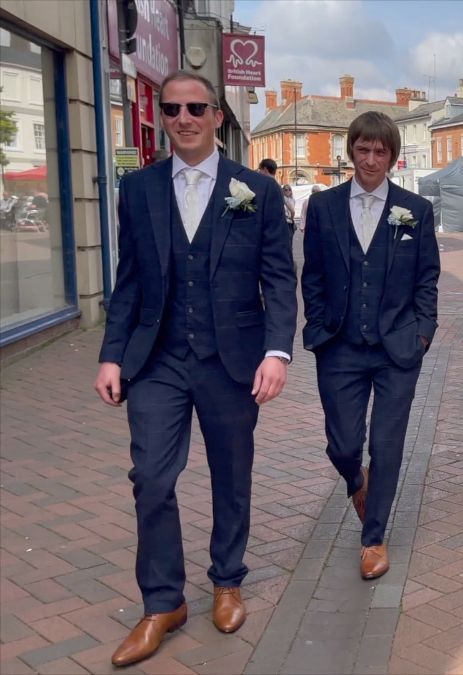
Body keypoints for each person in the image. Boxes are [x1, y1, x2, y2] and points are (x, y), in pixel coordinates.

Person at [93, 71, 296, 667]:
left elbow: (279, 278)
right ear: (162, 115)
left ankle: (228, 579)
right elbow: (129, 280)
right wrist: (111, 352)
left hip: (232, 359)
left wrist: (277, 351)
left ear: (216, 116)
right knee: (151, 478)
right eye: (173, 108)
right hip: (156, 360)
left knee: (231, 474)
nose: (183, 118)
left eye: (196, 108)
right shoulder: (139, 189)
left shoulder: (253, 190)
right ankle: (163, 602)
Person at [302, 111, 440, 581]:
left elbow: (427, 278)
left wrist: (422, 333)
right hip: (339, 346)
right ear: (351, 151)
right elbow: (313, 276)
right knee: (343, 444)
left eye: (381, 151)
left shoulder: (415, 211)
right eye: (363, 149)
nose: (371, 159)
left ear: (393, 157)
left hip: (398, 348)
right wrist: (318, 327)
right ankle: (355, 479)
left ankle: (373, 538)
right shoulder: (323, 208)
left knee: (386, 442)